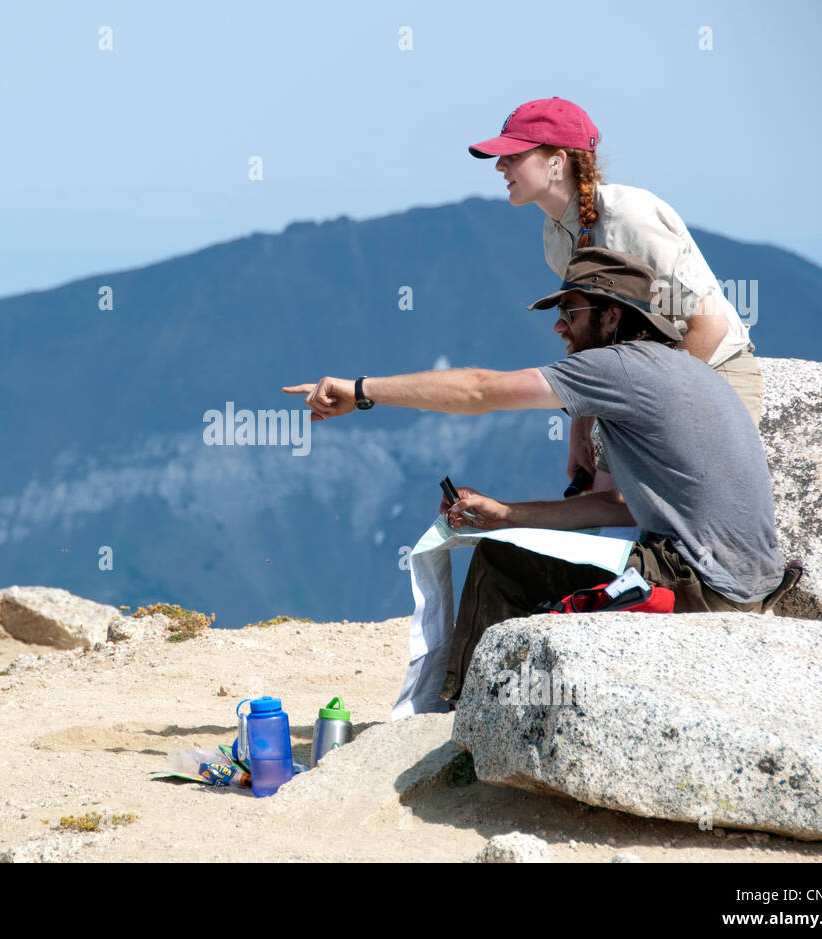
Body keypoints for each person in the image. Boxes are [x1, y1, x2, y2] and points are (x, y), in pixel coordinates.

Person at [283, 247, 784, 702]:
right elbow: (619, 508)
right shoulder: (683, 370)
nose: (559, 327)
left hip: (698, 585)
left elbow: (481, 390)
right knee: (510, 544)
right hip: (747, 589)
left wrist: (362, 390)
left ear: (611, 317)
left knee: (502, 565)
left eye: (571, 312)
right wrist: (505, 514)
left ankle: (462, 717)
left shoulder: (619, 368)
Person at [467, 96, 762, 492]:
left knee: (666, 521)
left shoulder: (630, 217)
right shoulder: (555, 235)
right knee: (607, 514)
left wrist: (650, 407)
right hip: (647, 381)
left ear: (557, 162)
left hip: (711, 374)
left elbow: (708, 325)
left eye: (513, 154)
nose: (500, 165)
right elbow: (589, 337)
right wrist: (580, 433)